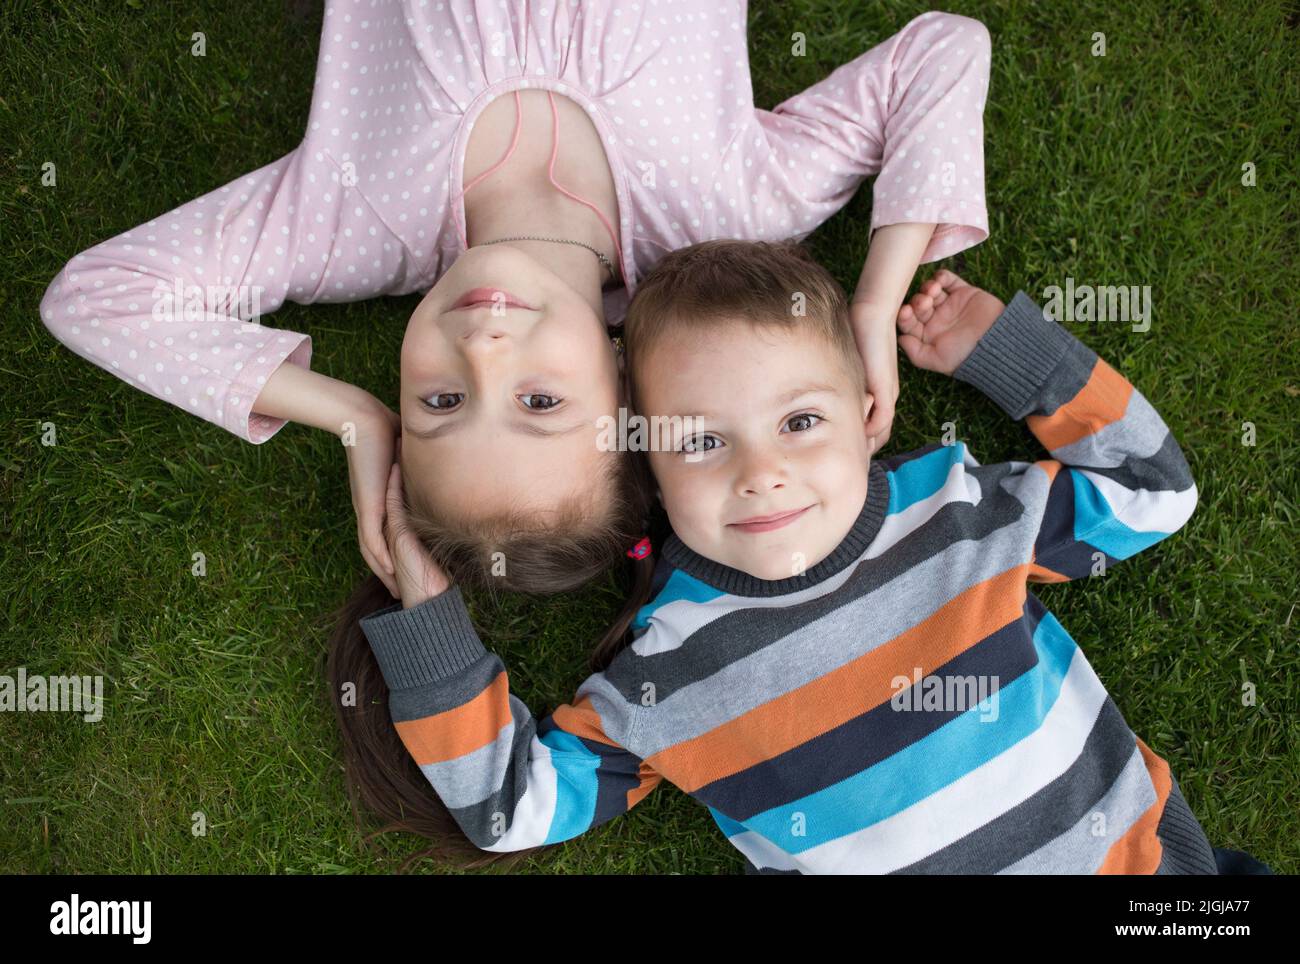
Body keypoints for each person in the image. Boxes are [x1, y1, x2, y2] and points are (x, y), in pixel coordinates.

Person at [341, 239, 1270, 873]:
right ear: (650, 472)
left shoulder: (956, 517)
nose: (762, 474)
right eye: (703, 442)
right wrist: (428, 621)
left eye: (800, 422)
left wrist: (1005, 353)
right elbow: (513, 812)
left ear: (869, 413)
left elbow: (1154, 494)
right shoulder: (664, 674)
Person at [39, 4, 991, 596]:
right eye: (541, 404)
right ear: (629, 394)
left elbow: (94, 298)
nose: (485, 350)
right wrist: (875, 303)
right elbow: (943, 52)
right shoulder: (733, 204)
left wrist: (356, 421)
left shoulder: (345, 223)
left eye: (437, 405)